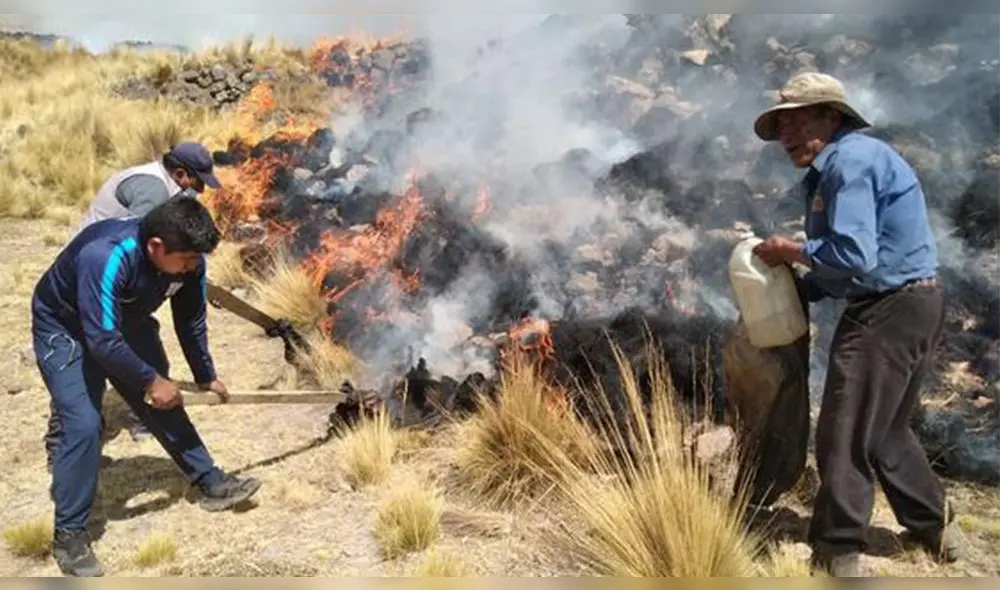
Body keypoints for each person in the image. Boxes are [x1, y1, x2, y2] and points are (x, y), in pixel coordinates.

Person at [750, 71, 966, 577]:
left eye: (796, 119)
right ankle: (939, 528)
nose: (785, 133)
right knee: (885, 431)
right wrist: (795, 293)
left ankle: (838, 548)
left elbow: (853, 252)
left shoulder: (850, 162)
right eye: (780, 124)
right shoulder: (848, 164)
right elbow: (849, 265)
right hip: (915, 304)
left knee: (844, 431)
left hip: (887, 311)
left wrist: (790, 252)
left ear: (832, 115)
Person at [31, 196, 260, 577]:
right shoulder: (105, 257)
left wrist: (204, 374)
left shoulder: (189, 262)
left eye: (195, 260)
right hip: (65, 328)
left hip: (124, 320)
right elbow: (102, 340)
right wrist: (151, 379)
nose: (191, 267)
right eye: (185, 259)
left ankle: (209, 480)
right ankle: (70, 535)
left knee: (165, 400)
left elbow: (191, 322)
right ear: (155, 246)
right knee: (84, 424)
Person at [43, 142, 223, 453]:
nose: (201, 191)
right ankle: (62, 443)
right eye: (197, 182)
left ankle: (147, 417)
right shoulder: (152, 192)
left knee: (141, 345)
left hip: (115, 279)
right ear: (180, 173)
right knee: (84, 362)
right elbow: (143, 250)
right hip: (95, 278)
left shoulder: (168, 188)